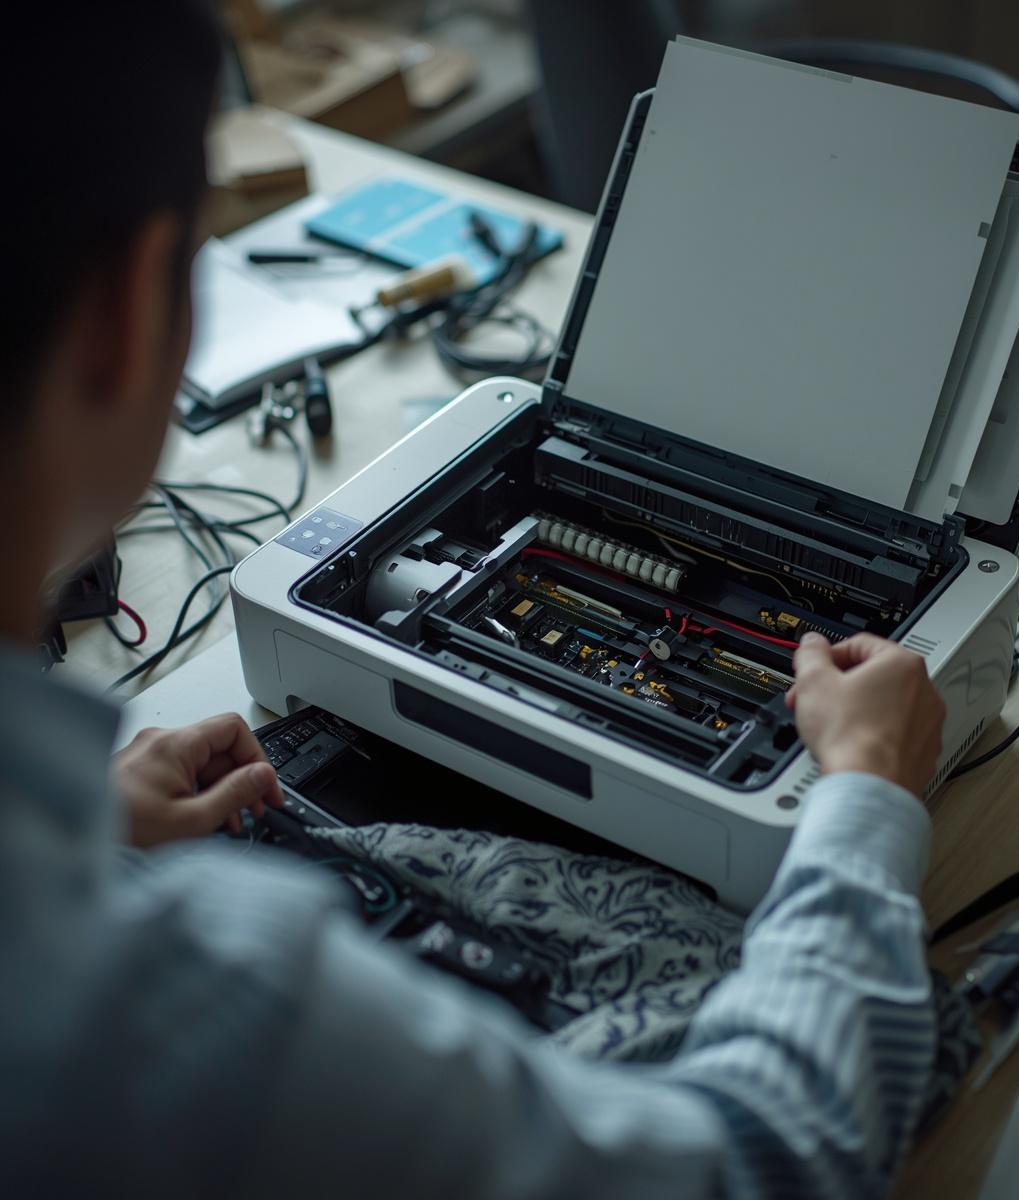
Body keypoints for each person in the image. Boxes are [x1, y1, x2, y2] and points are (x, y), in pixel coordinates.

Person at [0, 4, 947, 1196]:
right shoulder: (214, 1008)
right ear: (133, 308)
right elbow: (764, 1158)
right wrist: (864, 798)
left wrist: (85, 828)